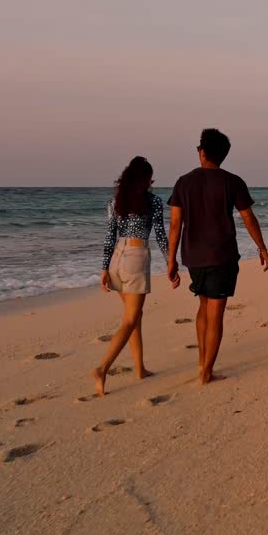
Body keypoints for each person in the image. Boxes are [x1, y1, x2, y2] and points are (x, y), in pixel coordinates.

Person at [167, 128, 268, 386]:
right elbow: (248, 217)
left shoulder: (183, 182)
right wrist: (262, 247)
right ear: (222, 155)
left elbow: (175, 224)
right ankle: (206, 372)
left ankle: (203, 363)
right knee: (215, 314)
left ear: (202, 152)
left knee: (203, 307)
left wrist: (171, 260)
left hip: (193, 256)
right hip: (222, 256)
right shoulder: (232, 181)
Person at [92, 156, 170, 396]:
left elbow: (109, 237)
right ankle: (102, 369)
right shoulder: (153, 202)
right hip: (136, 257)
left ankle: (140, 369)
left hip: (117, 257)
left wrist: (104, 269)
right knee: (129, 320)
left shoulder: (116, 202)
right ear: (146, 180)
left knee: (134, 317)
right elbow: (160, 235)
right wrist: (171, 263)